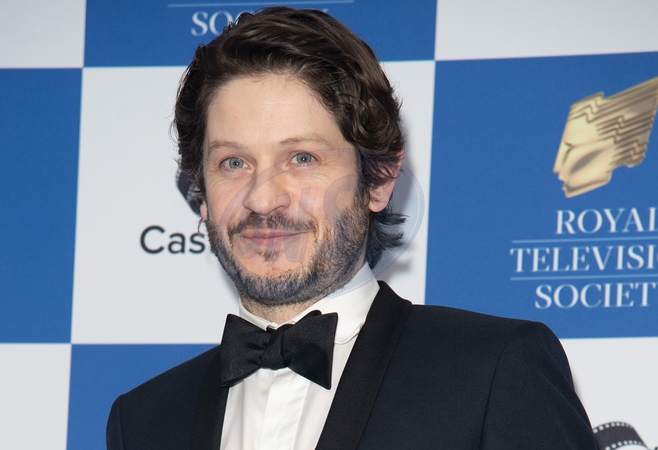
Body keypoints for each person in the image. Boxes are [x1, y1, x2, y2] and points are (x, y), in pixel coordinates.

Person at [106, 7, 597, 449]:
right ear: (201, 194)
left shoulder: (492, 372)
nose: (262, 198)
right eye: (233, 162)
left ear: (378, 180)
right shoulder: (143, 421)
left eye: (301, 158)